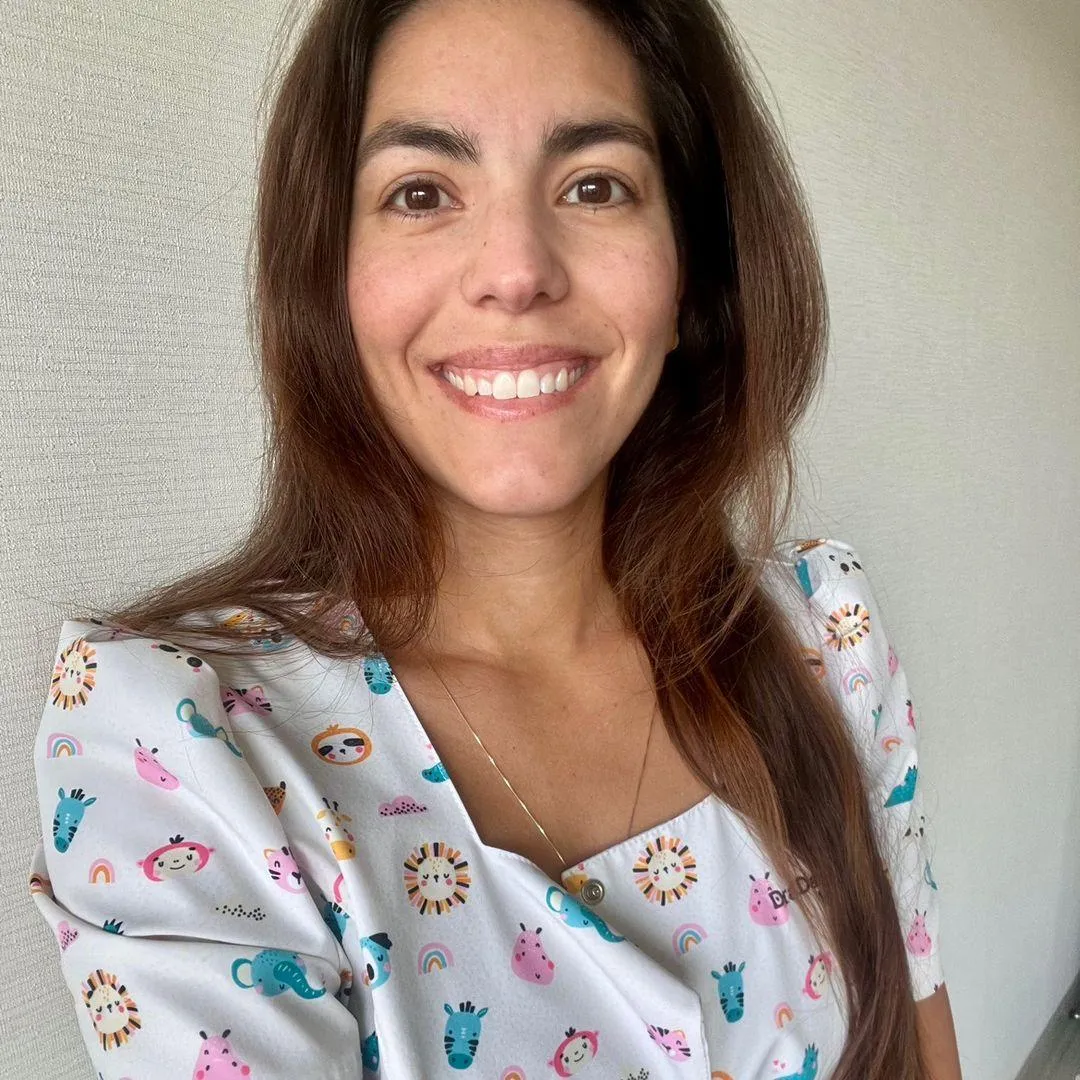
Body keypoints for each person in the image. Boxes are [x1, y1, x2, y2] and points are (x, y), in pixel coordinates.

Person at [27, 0, 963, 1076]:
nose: (515, 271)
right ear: (331, 280)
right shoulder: (181, 743)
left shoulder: (827, 641)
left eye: (596, 186)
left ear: (689, 277)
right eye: (422, 193)